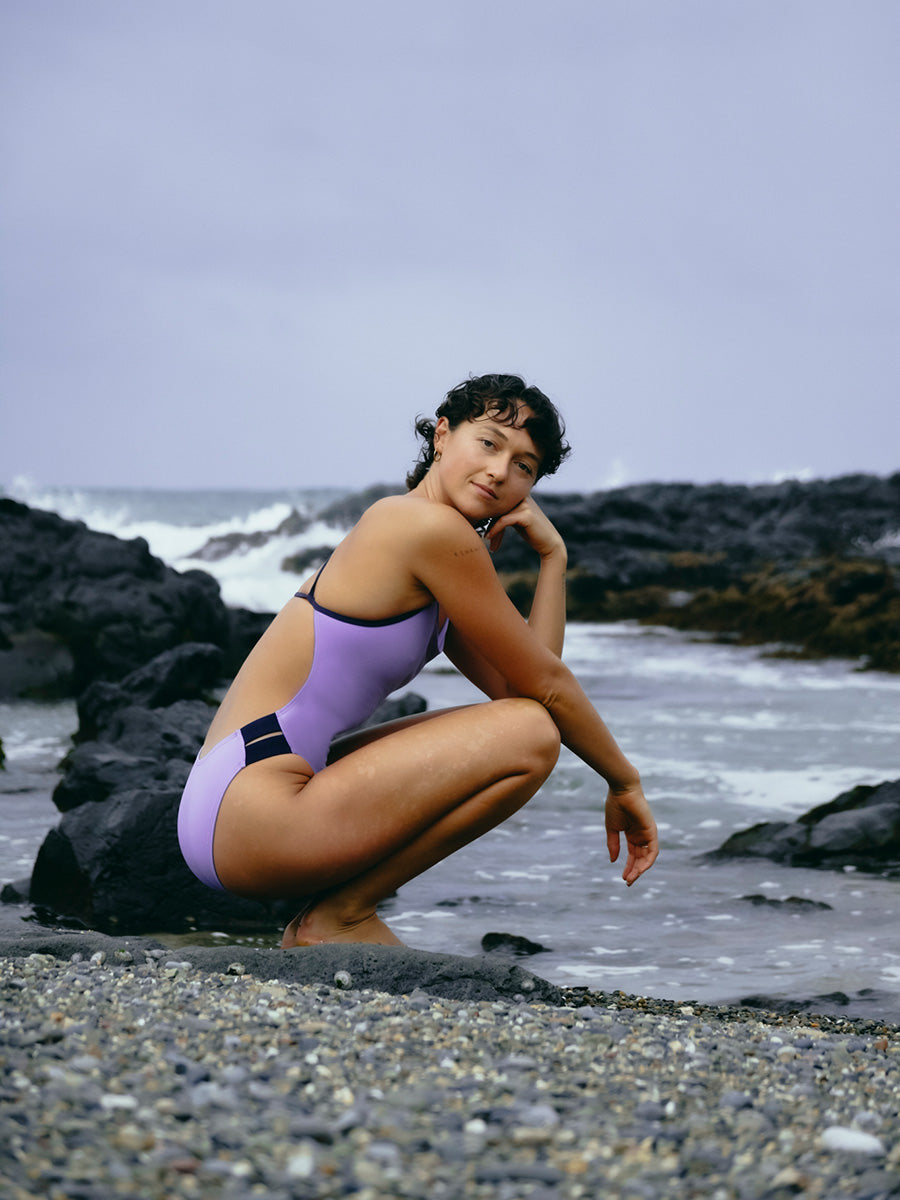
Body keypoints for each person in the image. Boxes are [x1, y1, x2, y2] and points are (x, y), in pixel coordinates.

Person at [177, 373, 658, 948]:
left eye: (524, 466)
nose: (501, 471)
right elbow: (545, 689)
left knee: (528, 727)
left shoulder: (428, 541)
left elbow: (524, 688)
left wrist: (552, 559)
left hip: (231, 802)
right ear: (442, 434)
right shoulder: (424, 528)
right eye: (489, 443)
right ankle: (340, 916)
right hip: (250, 810)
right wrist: (624, 781)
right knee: (531, 736)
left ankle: (335, 916)